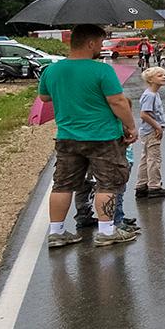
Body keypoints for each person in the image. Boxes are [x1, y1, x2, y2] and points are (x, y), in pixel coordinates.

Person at [39, 24, 140, 249]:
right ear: (91, 43)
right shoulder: (101, 70)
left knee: (62, 185)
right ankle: (106, 231)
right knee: (108, 183)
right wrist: (130, 126)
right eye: (101, 42)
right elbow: (117, 101)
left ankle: (56, 233)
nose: (101, 47)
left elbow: (45, 98)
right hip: (102, 137)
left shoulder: (52, 70)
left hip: (67, 136)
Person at [135, 66, 165, 198]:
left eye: (164, 74)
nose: (164, 77)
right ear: (150, 79)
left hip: (147, 131)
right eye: (160, 75)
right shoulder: (150, 95)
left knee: (145, 158)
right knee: (154, 159)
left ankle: (141, 185)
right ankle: (154, 186)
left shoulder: (154, 94)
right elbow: (144, 114)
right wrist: (157, 127)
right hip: (151, 132)